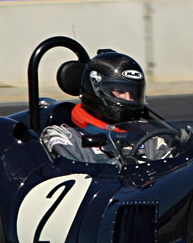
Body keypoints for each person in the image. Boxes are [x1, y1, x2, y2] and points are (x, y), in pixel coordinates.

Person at [41, 50, 178, 164]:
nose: (128, 99)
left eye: (134, 93)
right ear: (97, 89)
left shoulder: (151, 142)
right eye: (120, 90)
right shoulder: (65, 138)